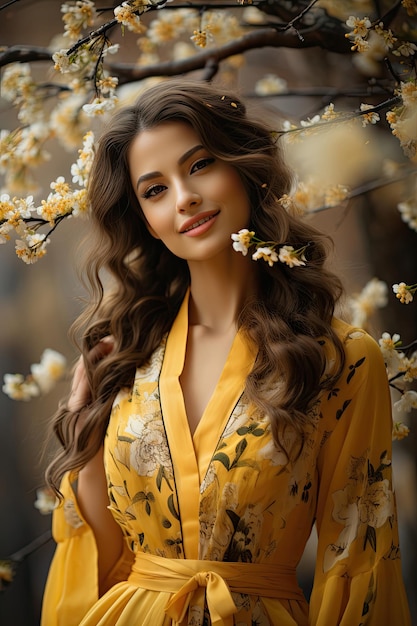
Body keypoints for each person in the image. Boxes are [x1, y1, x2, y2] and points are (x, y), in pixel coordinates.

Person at [41, 79, 411, 626]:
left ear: (243, 167)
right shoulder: (126, 356)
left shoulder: (339, 358)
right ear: (142, 218)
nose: (183, 197)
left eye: (198, 165)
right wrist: (85, 430)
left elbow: (358, 563)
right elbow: (96, 553)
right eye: (154, 190)